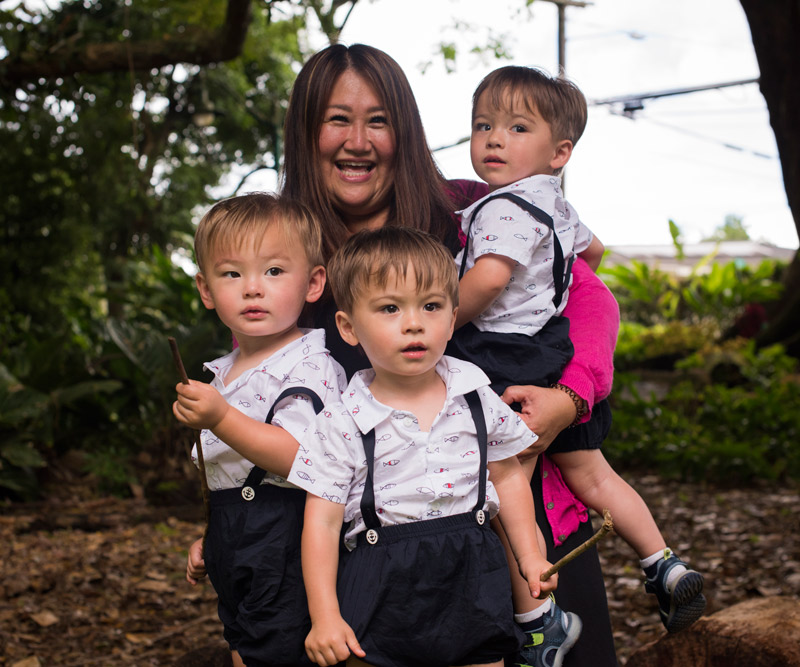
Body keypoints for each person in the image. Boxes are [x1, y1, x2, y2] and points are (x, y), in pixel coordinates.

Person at [187, 43, 621, 667]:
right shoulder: (279, 252)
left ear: (405, 131)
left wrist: (570, 397)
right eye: (337, 119)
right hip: (374, 555)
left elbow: (587, 293)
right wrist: (229, 531)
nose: (357, 141)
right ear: (307, 134)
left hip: (520, 497)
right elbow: (258, 412)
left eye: (378, 120)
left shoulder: (475, 210)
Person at [453, 65, 706, 650]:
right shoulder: (553, 201)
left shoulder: (502, 208)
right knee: (591, 471)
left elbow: (488, 281)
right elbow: (594, 251)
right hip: (552, 348)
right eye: (483, 125)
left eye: (517, 128)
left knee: (508, 484)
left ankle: (541, 623)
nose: (494, 139)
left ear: (559, 151)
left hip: (501, 354)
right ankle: (662, 562)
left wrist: (441, 323)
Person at [289, 226, 556, 667]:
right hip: (382, 581)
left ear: (451, 320)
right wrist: (325, 617)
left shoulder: (475, 396)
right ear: (349, 327)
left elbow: (508, 474)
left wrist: (529, 554)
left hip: (473, 575)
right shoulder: (342, 420)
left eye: (431, 306)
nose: (414, 322)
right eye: (390, 308)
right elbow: (321, 523)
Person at [172, 193, 348, 667]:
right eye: (232, 274)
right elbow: (228, 472)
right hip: (241, 534)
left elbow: (301, 460)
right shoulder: (225, 372)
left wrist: (220, 419)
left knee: (276, 650)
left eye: (273, 271)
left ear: (313, 283)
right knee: (242, 642)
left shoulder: (309, 367)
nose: (253, 288)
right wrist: (213, 538)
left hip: (287, 535)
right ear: (206, 290)